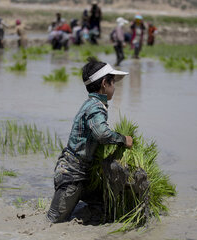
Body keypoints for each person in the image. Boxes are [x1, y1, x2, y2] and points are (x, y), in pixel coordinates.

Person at [46, 57, 133, 223]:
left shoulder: (91, 104)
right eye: (113, 82)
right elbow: (102, 133)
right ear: (105, 84)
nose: (115, 87)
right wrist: (123, 139)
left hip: (84, 174)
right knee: (54, 221)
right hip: (71, 175)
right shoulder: (95, 107)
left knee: (103, 205)